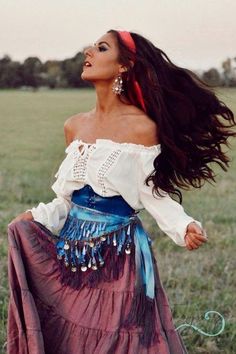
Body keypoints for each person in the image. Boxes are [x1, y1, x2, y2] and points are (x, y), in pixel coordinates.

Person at [7, 29, 235, 354]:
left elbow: (151, 193)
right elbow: (68, 200)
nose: (89, 51)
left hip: (119, 257)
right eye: (92, 46)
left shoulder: (142, 128)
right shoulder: (75, 126)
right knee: (75, 335)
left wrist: (183, 226)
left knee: (115, 339)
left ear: (123, 66)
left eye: (101, 48)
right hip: (73, 250)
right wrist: (35, 217)